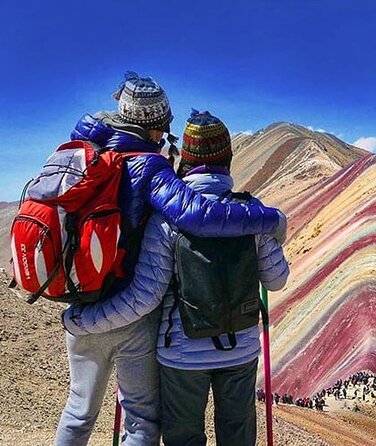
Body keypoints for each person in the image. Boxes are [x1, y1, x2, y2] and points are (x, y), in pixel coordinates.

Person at [56, 73, 286, 446]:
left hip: (152, 339)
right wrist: (270, 221)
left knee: (92, 414)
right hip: (220, 343)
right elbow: (271, 277)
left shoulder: (93, 161)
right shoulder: (241, 210)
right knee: (204, 430)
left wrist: (84, 319)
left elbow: (149, 289)